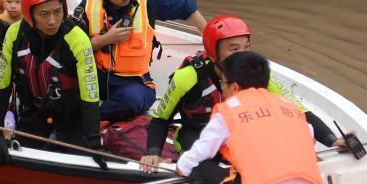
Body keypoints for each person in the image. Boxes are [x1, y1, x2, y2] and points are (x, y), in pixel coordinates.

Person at [141, 15, 347, 173]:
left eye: (246, 47)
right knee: (204, 158)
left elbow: (301, 112)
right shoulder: (187, 77)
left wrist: (332, 140)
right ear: (213, 51)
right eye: (233, 49)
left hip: (243, 130)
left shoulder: (256, 73)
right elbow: (160, 120)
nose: (242, 55)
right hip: (198, 132)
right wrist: (152, 154)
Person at [176, 51, 324, 184]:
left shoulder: (229, 112)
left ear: (234, 87)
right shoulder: (292, 109)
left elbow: (194, 157)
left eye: (223, 84)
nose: (222, 89)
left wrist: (179, 167)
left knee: (199, 168)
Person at [0, 0, 106, 168]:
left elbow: (90, 94)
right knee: (17, 158)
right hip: (34, 112)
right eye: (44, 14)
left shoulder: (77, 38)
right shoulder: (14, 35)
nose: (52, 21)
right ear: (29, 14)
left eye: (57, 12)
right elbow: (2, 85)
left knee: (84, 155)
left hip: (71, 115)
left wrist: (94, 142)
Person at [73, 0, 206, 121]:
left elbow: (188, 8)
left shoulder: (149, 0)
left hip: (134, 81)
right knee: (61, 82)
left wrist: (210, 40)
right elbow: (70, 47)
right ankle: (82, 116)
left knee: (132, 100)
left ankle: (88, 119)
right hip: (95, 74)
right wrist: (106, 39)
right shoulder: (88, 5)